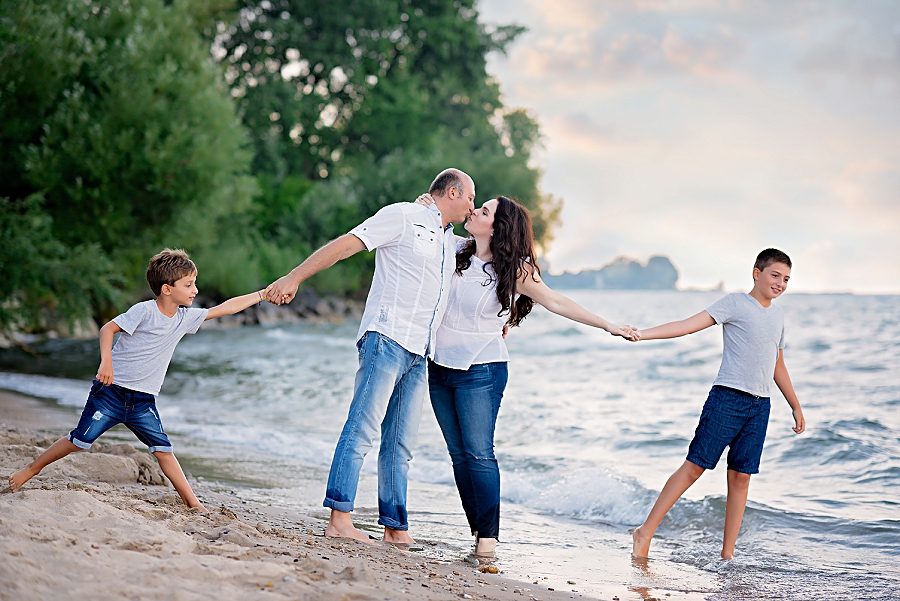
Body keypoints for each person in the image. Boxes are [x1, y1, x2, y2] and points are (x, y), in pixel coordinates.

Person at [417, 193, 636, 556]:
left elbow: (557, 301)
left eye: (484, 210)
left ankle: (487, 540)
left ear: (497, 227)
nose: (474, 211)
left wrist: (607, 325)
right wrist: (423, 205)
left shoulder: (514, 269)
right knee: (458, 455)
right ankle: (477, 529)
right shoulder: (452, 248)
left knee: (479, 454)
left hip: (481, 369)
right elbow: (420, 238)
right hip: (439, 365)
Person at [264, 169, 475, 545]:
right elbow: (347, 244)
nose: (473, 206)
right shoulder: (403, 216)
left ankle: (395, 528)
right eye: (470, 198)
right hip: (386, 338)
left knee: (400, 445)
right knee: (362, 428)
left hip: (419, 352)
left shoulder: (450, 241)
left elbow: (483, 279)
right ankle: (339, 517)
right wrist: (293, 277)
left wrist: (503, 320)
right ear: (453, 191)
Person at [7, 249, 266, 509]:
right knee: (79, 442)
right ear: (167, 289)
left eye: (194, 284)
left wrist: (262, 294)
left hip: (143, 401)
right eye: (188, 285)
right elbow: (108, 328)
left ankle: (193, 503)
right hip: (110, 393)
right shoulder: (144, 311)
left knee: (163, 450)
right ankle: (32, 468)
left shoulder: (185, 318)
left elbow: (226, 308)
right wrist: (106, 361)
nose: (195, 290)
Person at [630, 248, 806, 560]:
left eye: (786, 279)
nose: (780, 283)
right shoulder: (735, 303)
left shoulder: (778, 317)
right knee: (694, 467)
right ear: (757, 273)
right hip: (727, 398)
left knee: (741, 477)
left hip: (760, 407)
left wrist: (794, 404)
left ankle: (728, 554)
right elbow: (687, 325)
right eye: (775, 275)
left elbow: (777, 363)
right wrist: (643, 335)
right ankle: (645, 532)